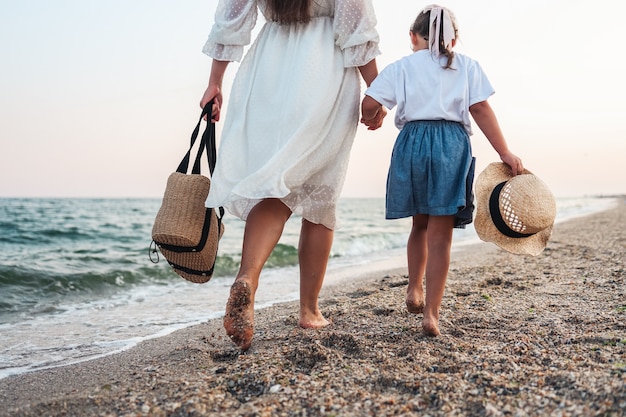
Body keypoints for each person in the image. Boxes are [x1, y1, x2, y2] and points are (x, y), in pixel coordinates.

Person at [200, 0, 384, 351]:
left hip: (269, 68)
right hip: (325, 67)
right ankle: (309, 310)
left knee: (276, 186)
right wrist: (377, 91)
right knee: (321, 193)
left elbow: (231, 19)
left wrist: (215, 82)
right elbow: (356, 27)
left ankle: (248, 277)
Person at [361, 4, 523, 336]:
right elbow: (480, 109)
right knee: (441, 235)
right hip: (451, 145)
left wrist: (373, 117)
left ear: (413, 37)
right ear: (454, 38)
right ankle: (431, 314)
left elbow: (369, 102)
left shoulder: (402, 66)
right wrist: (504, 152)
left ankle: (413, 289)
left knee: (418, 223)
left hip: (412, 143)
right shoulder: (466, 66)